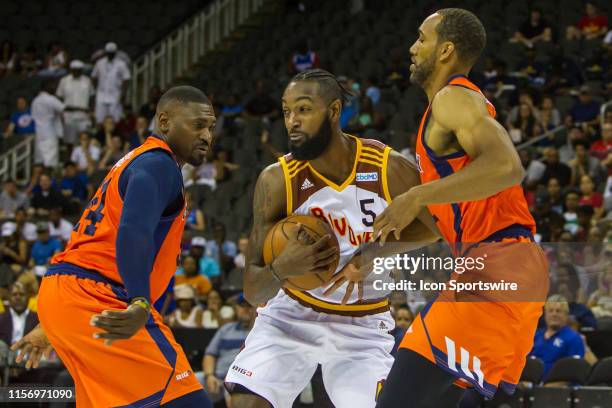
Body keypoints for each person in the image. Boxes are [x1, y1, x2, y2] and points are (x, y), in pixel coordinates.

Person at [225, 69, 438, 408]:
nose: (292, 120)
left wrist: (371, 254)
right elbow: (253, 290)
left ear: (334, 111)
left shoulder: (386, 167)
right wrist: (283, 267)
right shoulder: (278, 180)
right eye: (286, 111)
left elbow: (437, 225)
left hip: (363, 324)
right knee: (246, 404)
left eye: (304, 109)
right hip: (290, 315)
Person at [373, 9, 549, 407]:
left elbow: (507, 165)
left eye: (422, 38)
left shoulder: (452, 97)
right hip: (514, 263)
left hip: (495, 260)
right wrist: (371, 252)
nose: (412, 47)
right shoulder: (452, 110)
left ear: (446, 49)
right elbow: (440, 226)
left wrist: (415, 195)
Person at [11, 85, 215, 407]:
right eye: (198, 125)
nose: (207, 136)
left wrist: (53, 323)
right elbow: (133, 232)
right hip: (99, 296)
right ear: (164, 122)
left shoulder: (136, 161)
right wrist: (139, 302)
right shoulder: (160, 164)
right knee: (187, 401)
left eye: (211, 127)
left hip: (67, 293)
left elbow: (100, 238)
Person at [199, 294, 255, 406]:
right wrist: (209, 375)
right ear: (236, 308)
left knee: (236, 394)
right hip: (217, 377)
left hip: (242, 379)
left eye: (249, 306)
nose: (245, 309)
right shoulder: (225, 329)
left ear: (256, 308)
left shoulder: (259, 332)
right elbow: (210, 354)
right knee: (187, 383)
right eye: (241, 306)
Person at [530, 295, 585, 377]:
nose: (554, 314)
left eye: (558, 311)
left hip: (558, 388)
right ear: (545, 314)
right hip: (530, 386)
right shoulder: (535, 336)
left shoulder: (574, 338)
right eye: (550, 311)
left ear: (566, 315)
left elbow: (573, 372)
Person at [56, 59, 94, 147]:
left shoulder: (87, 81)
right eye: (75, 70)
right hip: (69, 117)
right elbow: (59, 97)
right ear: (71, 70)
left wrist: (92, 111)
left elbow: (92, 96)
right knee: (69, 143)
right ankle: (70, 160)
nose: (77, 72)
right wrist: (61, 113)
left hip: (84, 116)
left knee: (85, 141)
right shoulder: (64, 81)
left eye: (79, 70)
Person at [92, 42, 131, 124]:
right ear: (106, 52)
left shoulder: (121, 64)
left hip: (115, 94)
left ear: (115, 53)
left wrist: (123, 93)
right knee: (100, 119)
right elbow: (94, 76)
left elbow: (126, 79)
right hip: (102, 94)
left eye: (112, 53)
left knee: (115, 119)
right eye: (108, 53)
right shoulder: (100, 63)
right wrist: (96, 89)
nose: (110, 55)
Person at [31, 79, 65, 167]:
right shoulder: (50, 99)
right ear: (45, 87)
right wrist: (82, 109)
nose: (54, 88)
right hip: (50, 134)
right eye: (52, 86)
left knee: (40, 162)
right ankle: (50, 180)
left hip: (39, 135)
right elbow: (64, 108)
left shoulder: (35, 100)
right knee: (51, 163)